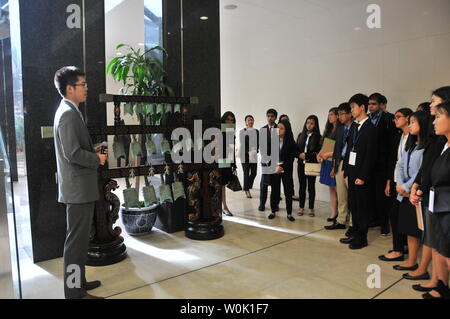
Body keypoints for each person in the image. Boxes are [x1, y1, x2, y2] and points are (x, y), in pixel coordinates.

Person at [53, 66, 107, 299]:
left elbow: (74, 149)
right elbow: (72, 153)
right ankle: (74, 292)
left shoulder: (70, 110)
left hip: (79, 188)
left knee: (79, 240)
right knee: (75, 243)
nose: (86, 89)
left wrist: (92, 151)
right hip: (77, 190)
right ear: (69, 88)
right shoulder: (67, 114)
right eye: (83, 85)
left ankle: (79, 283)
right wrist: (97, 158)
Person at [410, 86, 450, 298]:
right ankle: (439, 282)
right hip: (436, 200)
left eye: (435, 102)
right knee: (437, 244)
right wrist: (419, 185)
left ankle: (441, 283)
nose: (431, 106)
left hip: (444, 203)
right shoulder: (439, 139)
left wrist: (420, 186)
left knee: (444, 246)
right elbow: (429, 168)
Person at [392, 111, 429, 275]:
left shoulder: (427, 147)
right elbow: (400, 165)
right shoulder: (412, 144)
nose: (410, 125)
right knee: (409, 229)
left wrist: (407, 187)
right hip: (405, 192)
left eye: (413, 122)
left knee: (418, 229)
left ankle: (422, 267)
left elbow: (421, 172)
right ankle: (411, 261)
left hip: (415, 193)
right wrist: (400, 185)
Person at [341, 94, 377, 249]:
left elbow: (371, 155)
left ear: (362, 107)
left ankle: (362, 237)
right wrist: (346, 169)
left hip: (362, 174)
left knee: (362, 207)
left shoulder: (371, 128)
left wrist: (363, 176)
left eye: (353, 107)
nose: (351, 110)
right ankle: (354, 233)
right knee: (353, 205)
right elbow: (349, 149)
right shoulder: (355, 126)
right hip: (352, 171)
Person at [379, 108, 413, 262]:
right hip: (395, 181)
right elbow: (392, 161)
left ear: (408, 118)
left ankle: (400, 248)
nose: (395, 120)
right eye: (394, 117)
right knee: (394, 214)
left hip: (409, 184)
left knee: (403, 216)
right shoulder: (398, 137)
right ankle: (398, 247)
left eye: (398, 117)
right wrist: (388, 181)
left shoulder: (415, 137)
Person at [368, 93, 398, 235]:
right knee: (372, 194)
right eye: (369, 104)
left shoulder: (389, 119)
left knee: (383, 195)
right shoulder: (367, 119)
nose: (371, 106)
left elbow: (393, 143)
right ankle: (375, 219)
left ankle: (385, 224)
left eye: (373, 104)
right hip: (370, 163)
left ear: (381, 105)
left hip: (383, 162)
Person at [326, 103, 353, 231]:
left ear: (350, 114)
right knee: (341, 194)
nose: (340, 116)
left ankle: (353, 223)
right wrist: (334, 167)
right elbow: (337, 149)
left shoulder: (356, 127)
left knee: (352, 196)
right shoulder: (341, 129)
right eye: (339, 114)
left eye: (342, 114)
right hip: (340, 162)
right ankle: (341, 220)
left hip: (351, 163)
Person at [268, 120, 299, 221]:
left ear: (286, 130)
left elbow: (291, 157)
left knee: (288, 191)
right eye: (278, 128)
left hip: (286, 169)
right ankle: (273, 211)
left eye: (281, 128)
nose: (279, 130)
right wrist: (275, 167)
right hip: (275, 170)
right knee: (274, 191)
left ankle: (289, 213)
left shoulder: (290, 142)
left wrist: (282, 166)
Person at [296, 115, 321, 216]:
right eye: (307, 123)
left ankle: (311, 208)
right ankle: (301, 207)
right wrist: (299, 155)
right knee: (302, 186)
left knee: (311, 187)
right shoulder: (300, 135)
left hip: (311, 164)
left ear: (315, 125)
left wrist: (307, 155)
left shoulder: (319, 137)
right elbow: (296, 149)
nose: (309, 125)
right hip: (301, 164)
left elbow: (317, 152)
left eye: (311, 123)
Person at [317, 107, 339, 219]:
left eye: (332, 114)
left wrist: (329, 154)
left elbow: (341, 149)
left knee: (338, 188)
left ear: (337, 116)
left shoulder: (341, 129)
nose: (330, 117)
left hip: (335, 161)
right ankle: (333, 211)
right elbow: (325, 145)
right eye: (329, 114)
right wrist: (319, 154)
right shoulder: (329, 130)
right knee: (331, 188)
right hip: (327, 161)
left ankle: (341, 212)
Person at [259, 108, 278, 212]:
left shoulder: (279, 128)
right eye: (268, 116)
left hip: (275, 161)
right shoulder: (262, 129)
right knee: (264, 184)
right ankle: (262, 204)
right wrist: (265, 158)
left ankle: (275, 205)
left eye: (272, 116)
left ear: (275, 117)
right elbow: (261, 146)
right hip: (265, 161)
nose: (270, 118)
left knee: (275, 185)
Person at [219, 111, 237, 216]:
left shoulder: (231, 131)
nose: (230, 121)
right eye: (228, 119)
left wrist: (233, 163)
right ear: (224, 120)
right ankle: (223, 207)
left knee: (223, 184)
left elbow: (231, 149)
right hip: (218, 159)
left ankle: (224, 206)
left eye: (232, 120)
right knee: (219, 184)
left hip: (226, 160)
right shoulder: (219, 131)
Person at [239, 115, 259, 198]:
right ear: (246, 122)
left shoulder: (256, 131)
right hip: (245, 155)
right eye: (249, 120)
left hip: (253, 155)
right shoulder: (242, 131)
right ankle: (247, 190)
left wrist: (255, 150)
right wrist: (248, 152)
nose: (250, 121)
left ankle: (246, 186)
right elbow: (243, 143)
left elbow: (258, 142)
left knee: (254, 173)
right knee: (246, 173)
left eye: (252, 120)